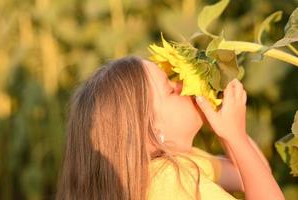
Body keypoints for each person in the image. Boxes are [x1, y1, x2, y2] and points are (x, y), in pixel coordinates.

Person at [55, 56, 285, 200]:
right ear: (152, 132)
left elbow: (250, 176)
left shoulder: (178, 161)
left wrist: (230, 133)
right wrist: (236, 137)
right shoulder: (168, 181)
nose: (183, 85)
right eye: (170, 89)